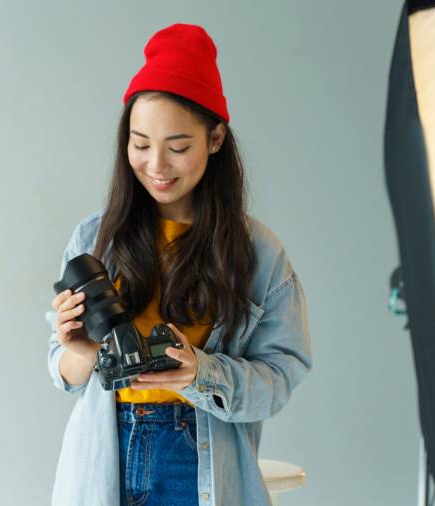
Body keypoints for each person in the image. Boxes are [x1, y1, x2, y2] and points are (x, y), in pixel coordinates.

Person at [45, 23, 313, 506]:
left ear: (214, 139)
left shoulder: (259, 254)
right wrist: (81, 349)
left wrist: (200, 374)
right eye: (140, 144)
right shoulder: (94, 238)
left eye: (178, 146)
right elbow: (62, 370)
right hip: (104, 460)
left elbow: (280, 377)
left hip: (197, 456)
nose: (156, 165)